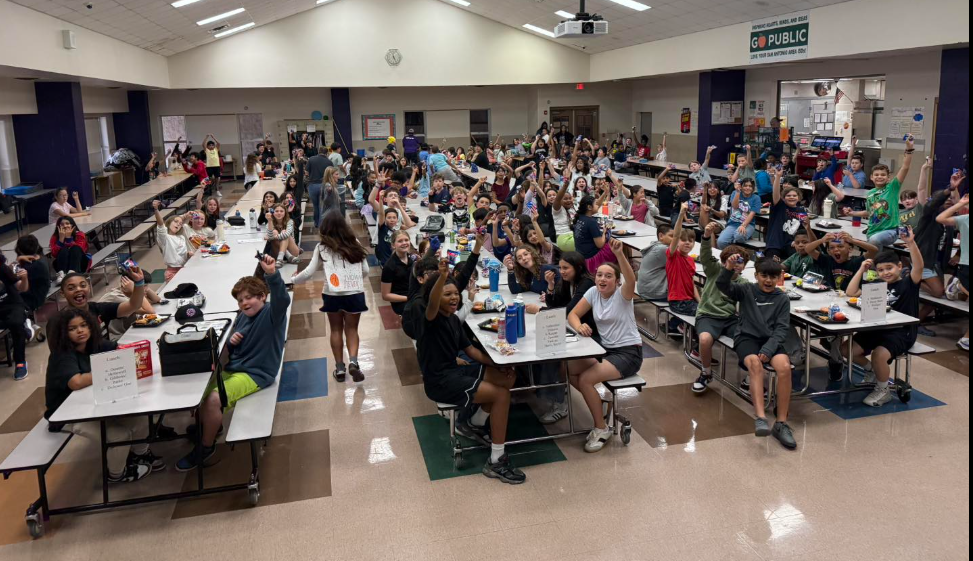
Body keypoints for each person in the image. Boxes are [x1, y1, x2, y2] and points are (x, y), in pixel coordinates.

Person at [176, 255, 289, 471]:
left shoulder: (272, 313)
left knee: (212, 400)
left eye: (249, 298)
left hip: (257, 373)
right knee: (197, 395)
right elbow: (233, 344)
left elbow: (283, 299)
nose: (244, 303)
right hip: (235, 368)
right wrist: (232, 341)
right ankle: (212, 425)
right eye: (240, 300)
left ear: (263, 297)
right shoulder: (243, 316)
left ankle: (206, 447)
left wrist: (272, 274)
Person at [418, 260, 525, 484]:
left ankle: (474, 422)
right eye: (447, 295)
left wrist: (498, 364)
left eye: (456, 293)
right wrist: (441, 276)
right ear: (437, 297)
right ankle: (497, 460)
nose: (454, 298)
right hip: (440, 381)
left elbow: (472, 352)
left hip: (455, 371)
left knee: (508, 377)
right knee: (501, 395)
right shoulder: (432, 319)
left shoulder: (454, 321)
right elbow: (431, 304)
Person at [45, 307, 163, 481]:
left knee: (144, 416)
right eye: (72, 328)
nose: (80, 331)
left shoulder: (95, 344)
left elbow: (121, 350)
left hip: (94, 402)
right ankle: (116, 474)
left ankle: (140, 453)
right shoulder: (62, 354)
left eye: (84, 325)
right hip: (66, 415)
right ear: (63, 333)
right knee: (118, 435)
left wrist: (134, 355)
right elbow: (76, 382)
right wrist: (109, 370)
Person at [567, 240, 643, 452]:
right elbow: (572, 314)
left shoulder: (623, 295)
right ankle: (600, 404)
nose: (602, 279)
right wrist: (579, 325)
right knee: (568, 369)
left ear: (617, 281)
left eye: (608, 276)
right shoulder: (593, 292)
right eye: (599, 275)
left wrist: (619, 254)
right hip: (606, 349)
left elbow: (631, 278)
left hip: (629, 352)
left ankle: (602, 428)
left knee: (585, 379)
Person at [716, 255, 796, 449]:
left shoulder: (782, 299)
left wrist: (769, 348)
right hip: (747, 337)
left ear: (780, 277)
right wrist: (728, 267)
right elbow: (722, 285)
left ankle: (781, 423)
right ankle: (760, 417)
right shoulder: (746, 290)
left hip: (771, 340)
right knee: (754, 364)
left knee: (784, 367)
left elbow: (782, 329)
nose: (768, 280)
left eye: (773, 277)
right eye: (764, 276)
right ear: (756, 275)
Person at [843, 231, 924, 407]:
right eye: (880, 270)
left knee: (879, 355)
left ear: (899, 266)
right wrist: (861, 270)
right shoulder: (877, 285)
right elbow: (851, 292)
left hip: (902, 331)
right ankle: (872, 371)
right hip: (877, 327)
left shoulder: (908, 283)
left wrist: (911, 243)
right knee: (846, 349)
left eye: (889, 268)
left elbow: (919, 267)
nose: (885, 272)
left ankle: (883, 389)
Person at [292, 211, 369, 383]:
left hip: (332, 293)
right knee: (352, 329)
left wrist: (293, 280)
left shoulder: (322, 247)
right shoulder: (354, 243)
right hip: (355, 293)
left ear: (325, 228)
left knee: (335, 329)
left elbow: (309, 272)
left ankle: (340, 368)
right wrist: (354, 281)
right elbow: (366, 270)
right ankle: (354, 362)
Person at [692, 212, 749, 394]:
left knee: (749, 339)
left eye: (740, 262)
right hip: (708, 315)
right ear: (724, 262)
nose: (736, 266)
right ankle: (706, 372)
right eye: (732, 262)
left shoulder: (743, 283)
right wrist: (707, 236)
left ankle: (749, 376)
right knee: (705, 338)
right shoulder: (714, 271)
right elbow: (706, 254)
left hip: (730, 318)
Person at [843, 135, 915, 247]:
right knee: (874, 254)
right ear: (871, 177)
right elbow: (869, 212)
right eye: (876, 175)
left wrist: (909, 149)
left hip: (890, 231)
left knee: (874, 242)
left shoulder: (892, 188)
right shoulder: (870, 193)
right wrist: (852, 213)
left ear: (888, 178)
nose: (879, 177)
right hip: (873, 230)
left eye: (883, 175)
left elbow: (905, 167)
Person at [55, 267, 146, 339]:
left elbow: (133, 305)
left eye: (83, 285)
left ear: (89, 288)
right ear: (62, 293)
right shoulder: (58, 321)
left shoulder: (98, 308)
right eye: (71, 288)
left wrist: (139, 283)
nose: (78, 289)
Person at [936, 191, 970, 350]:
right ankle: (957, 285)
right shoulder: (965, 220)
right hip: (966, 266)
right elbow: (940, 218)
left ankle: (966, 339)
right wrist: (961, 203)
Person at [805, 232, 879, 292]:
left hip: (850, 297)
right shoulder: (826, 260)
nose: (836, 249)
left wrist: (853, 241)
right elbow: (808, 249)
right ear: (828, 251)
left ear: (850, 249)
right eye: (832, 247)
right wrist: (821, 240)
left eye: (840, 246)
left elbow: (874, 250)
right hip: (829, 295)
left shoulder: (856, 262)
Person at [765, 169, 809, 261]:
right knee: (772, 266)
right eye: (788, 196)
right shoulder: (779, 206)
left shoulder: (801, 211)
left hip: (791, 244)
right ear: (784, 198)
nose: (792, 197)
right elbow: (776, 193)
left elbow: (802, 229)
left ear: (799, 197)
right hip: (775, 244)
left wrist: (797, 242)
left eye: (794, 195)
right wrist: (777, 177)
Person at [666, 204, 699, 327]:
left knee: (707, 310)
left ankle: (676, 325)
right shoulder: (673, 255)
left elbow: (692, 283)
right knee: (707, 315)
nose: (687, 243)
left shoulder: (691, 260)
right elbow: (675, 235)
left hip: (689, 301)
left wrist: (700, 301)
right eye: (683, 240)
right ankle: (678, 326)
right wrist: (681, 214)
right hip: (678, 302)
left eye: (690, 241)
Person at [14, 235, 51, 336]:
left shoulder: (32, 265)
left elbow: (13, 278)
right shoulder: (40, 257)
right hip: (38, 292)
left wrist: (18, 260)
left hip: (32, 298)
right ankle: (29, 323)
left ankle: (25, 324)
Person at [0, 255, 29, 381]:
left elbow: (22, 288)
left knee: (15, 324)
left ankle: (20, 363)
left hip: (13, 305)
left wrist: (24, 278)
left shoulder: (3, 269)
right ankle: (26, 328)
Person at [572, 193, 615, 273]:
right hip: (590, 257)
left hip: (580, 253)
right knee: (615, 247)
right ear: (589, 207)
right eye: (596, 204)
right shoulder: (591, 222)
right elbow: (600, 244)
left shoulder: (580, 217)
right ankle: (617, 271)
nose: (598, 205)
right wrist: (604, 232)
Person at [152, 200, 192, 282]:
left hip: (184, 269)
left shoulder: (181, 237)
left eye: (180, 224)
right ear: (169, 222)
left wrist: (188, 254)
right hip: (172, 272)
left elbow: (182, 254)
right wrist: (156, 209)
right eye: (175, 222)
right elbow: (160, 224)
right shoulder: (165, 238)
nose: (178, 224)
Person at [718, 178, 761, 249]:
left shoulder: (756, 198)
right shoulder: (735, 193)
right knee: (721, 242)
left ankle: (736, 248)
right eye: (745, 186)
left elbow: (752, 214)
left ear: (753, 188)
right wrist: (738, 192)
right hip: (733, 223)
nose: (748, 188)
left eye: (750, 186)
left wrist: (743, 225)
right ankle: (729, 254)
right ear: (741, 186)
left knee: (738, 236)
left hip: (748, 225)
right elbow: (735, 206)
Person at [380, 231, 413, 315]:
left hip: (413, 296)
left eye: (406, 240)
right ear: (393, 245)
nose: (404, 243)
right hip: (401, 301)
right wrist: (408, 298)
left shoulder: (412, 260)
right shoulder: (389, 266)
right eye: (400, 241)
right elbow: (385, 295)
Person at [636, 225, 673, 301]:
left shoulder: (655, 245)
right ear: (661, 236)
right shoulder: (662, 249)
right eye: (671, 236)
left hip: (645, 289)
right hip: (653, 292)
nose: (675, 240)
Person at [49, 216, 90, 280]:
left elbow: (81, 249)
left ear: (72, 225)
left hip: (79, 263)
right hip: (62, 265)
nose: (65, 226)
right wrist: (60, 239)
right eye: (62, 224)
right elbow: (54, 254)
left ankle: (72, 273)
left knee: (75, 248)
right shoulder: (55, 237)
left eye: (67, 223)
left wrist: (69, 239)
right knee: (64, 249)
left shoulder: (79, 234)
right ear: (58, 227)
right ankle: (61, 274)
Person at [306, 146, 333, 228]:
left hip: (312, 185)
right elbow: (331, 175)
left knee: (315, 206)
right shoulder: (329, 162)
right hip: (324, 185)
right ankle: (323, 224)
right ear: (327, 153)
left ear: (318, 151)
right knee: (323, 206)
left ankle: (316, 223)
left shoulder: (311, 159)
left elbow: (306, 173)